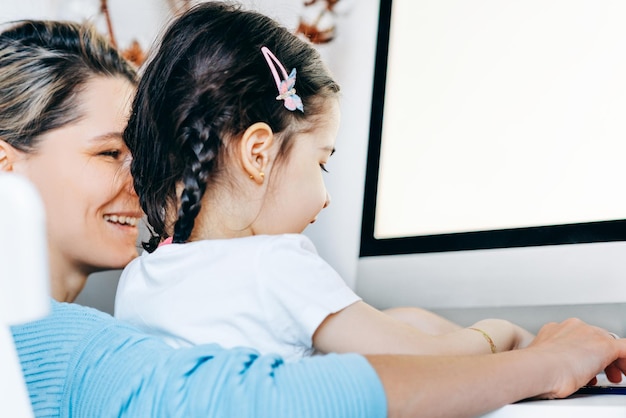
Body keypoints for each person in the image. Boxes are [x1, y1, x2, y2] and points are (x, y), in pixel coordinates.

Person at [3, 16, 626, 418]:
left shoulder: (142, 283)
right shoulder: (64, 346)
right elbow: (257, 398)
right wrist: (524, 351)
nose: (137, 178)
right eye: (111, 152)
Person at [115, 1, 533, 361]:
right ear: (257, 154)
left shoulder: (140, 279)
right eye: (321, 163)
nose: (326, 198)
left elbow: (357, 324)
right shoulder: (274, 263)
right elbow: (428, 362)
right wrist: (506, 334)